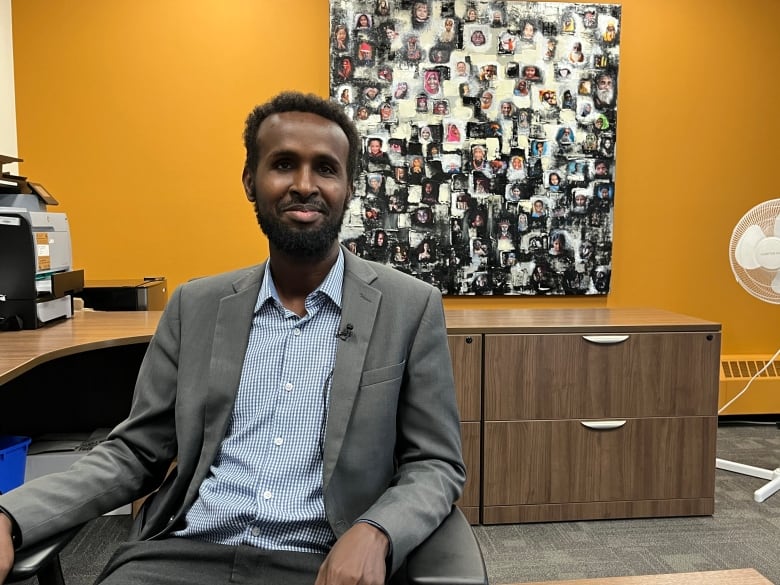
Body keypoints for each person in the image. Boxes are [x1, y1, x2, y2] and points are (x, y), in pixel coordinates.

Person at [0, 91, 465, 585]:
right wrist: (10, 516)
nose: (304, 185)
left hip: (324, 565)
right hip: (184, 556)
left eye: (326, 169)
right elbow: (135, 451)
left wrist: (377, 530)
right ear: (250, 180)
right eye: (283, 164)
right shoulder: (195, 306)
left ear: (348, 186)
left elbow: (434, 462)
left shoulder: (408, 307)